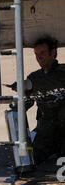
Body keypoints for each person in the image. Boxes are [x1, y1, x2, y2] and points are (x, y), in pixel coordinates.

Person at [24, 35, 65, 165]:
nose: (39, 58)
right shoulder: (34, 78)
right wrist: (20, 95)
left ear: (53, 53)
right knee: (31, 159)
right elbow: (25, 103)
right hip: (46, 130)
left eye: (42, 53)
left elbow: (52, 81)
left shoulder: (63, 72)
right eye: (36, 54)